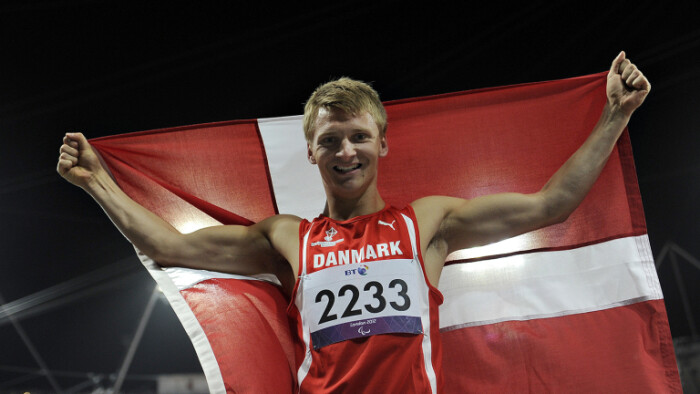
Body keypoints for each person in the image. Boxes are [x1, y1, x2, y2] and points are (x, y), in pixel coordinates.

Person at [57, 51, 650, 393]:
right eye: (331, 140)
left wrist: (614, 116)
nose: (346, 152)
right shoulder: (288, 238)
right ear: (311, 151)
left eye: (359, 137)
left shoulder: (429, 223)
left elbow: (550, 205)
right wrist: (96, 183)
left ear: (383, 145)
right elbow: (165, 243)